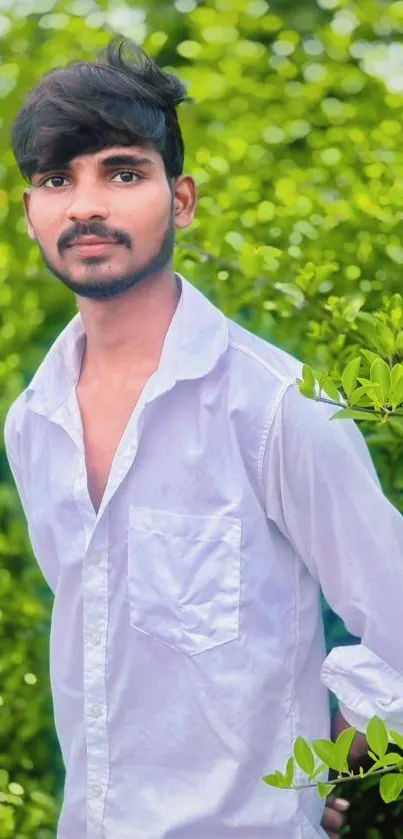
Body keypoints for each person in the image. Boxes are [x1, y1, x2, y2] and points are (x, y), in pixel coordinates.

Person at [4, 35, 403, 839]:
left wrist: (323, 766)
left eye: (122, 171)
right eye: (57, 179)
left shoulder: (275, 407)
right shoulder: (33, 419)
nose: (86, 204)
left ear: (179, 199)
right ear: (30, 212)